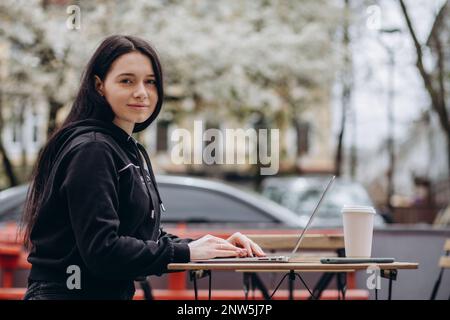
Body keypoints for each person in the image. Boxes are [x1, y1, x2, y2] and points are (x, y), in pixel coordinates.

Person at [20, 35, 265, 300]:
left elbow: (140, 238)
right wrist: (187, 253)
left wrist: (211, 246)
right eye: (127, 81)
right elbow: (102, 250)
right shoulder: (93, 149)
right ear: (99, 85)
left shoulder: (121, 147)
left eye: (150, 82)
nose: (141, 92)